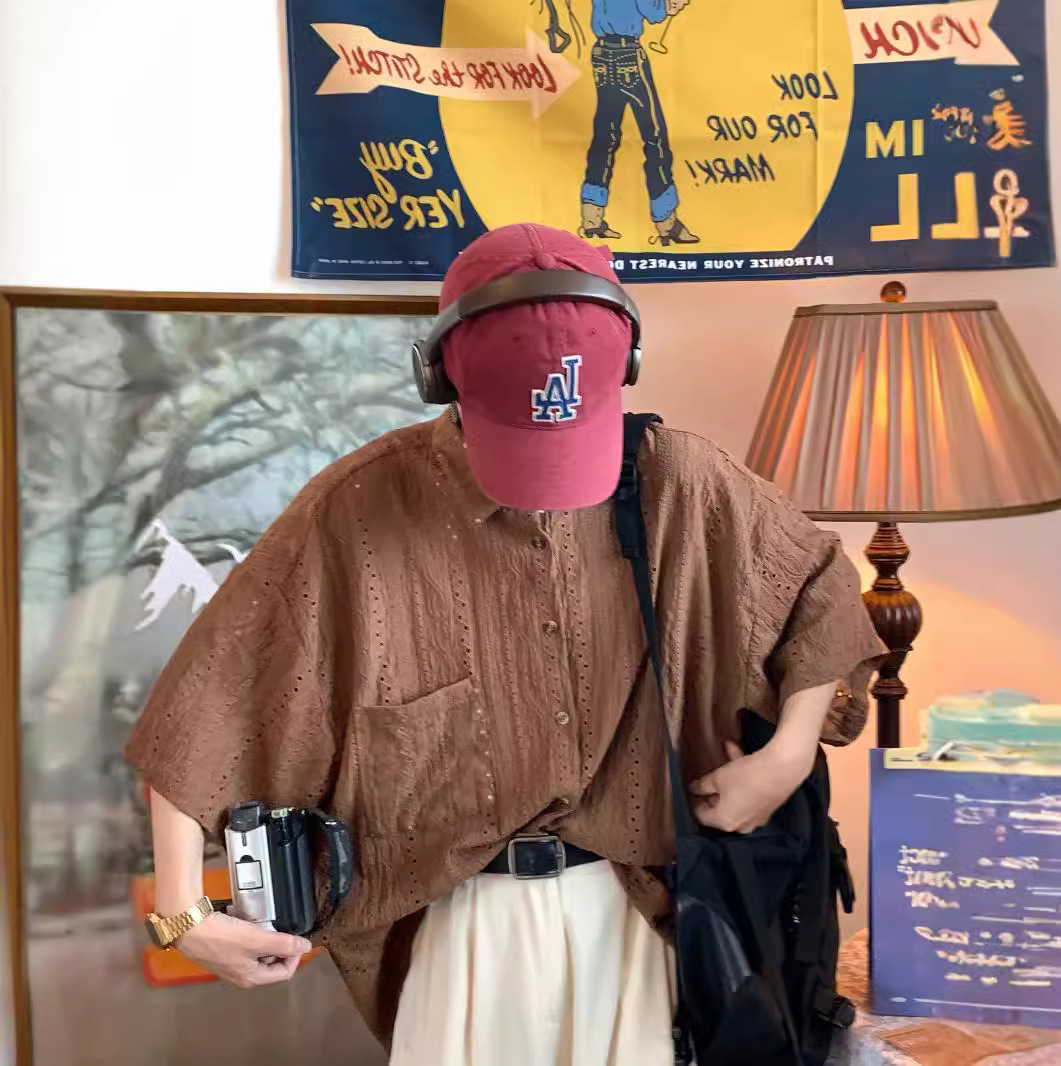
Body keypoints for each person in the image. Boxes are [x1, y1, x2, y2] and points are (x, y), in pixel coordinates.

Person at [124, 222, 885, 1065]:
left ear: (626, 367)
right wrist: (183, 914)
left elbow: (821, 592)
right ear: (438, 375)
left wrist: (786, 756)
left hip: (645, 924)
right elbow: (213, 699)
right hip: (465, 936)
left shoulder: (681, 480)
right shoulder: (360, 510)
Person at [579, 0, 699, 245]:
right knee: (655, 138)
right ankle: (666, 223)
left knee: (605, 137)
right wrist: (671, 5)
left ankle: (591, 219)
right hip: (628, 56)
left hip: (601, 55)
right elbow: (654, 13)